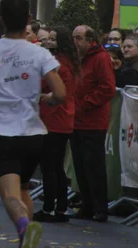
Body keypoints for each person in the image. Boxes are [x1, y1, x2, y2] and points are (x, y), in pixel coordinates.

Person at [0, 0, 66, 248]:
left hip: (3, 134)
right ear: (28, 19)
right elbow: (61, 93)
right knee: (23, 189)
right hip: (34, 134)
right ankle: (26, 242)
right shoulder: (39, 54)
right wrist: (48, 99)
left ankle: (24, 226)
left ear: (1, 19)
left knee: (10, 195)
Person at [34, 26, 79, 223]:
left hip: (54, 118)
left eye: (53, 39)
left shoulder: (59, 64)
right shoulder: (69, 62)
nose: (48, 41)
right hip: (60, 118)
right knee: (56, 166)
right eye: (48, 38)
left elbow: (51, 88)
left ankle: (49, 208)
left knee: (49, 166)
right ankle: (60, 208)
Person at [71, 25, 116, 222]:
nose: (75, 42)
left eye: (79, 38)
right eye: (74, 38)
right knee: (80, 165)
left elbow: (107, 88)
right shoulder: (77, 59)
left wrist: (84, 104)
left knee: (94, 166)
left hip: (93, 121)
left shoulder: (100, 58)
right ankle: (87, 205)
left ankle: (100, 207)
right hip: (76, 120)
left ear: (90, 40)